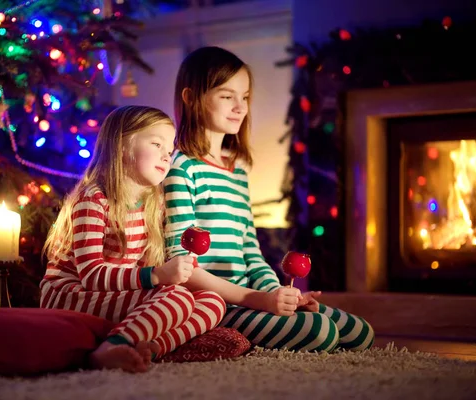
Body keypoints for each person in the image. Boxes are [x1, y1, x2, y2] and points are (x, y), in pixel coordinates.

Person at [164, 46, 374, 353]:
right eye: (226, 96)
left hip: (252, 296)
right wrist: (258, 300)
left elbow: (251, 252)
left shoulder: (236, 173)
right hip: (214, 302)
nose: (240, 107)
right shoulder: (180, 168)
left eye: (245, 96)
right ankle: (213, 335)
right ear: (190, 97)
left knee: (360, 333)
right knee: (322, 334)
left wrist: (278, 293)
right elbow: (180, 267)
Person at [41, 105, 226, 373]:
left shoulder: (151, 204)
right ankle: (110, 348)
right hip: (70, 294)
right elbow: (91, 275)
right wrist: (158, 275)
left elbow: (145, 273)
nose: (167, 156)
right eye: (156, 144)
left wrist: (167, 274)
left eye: (169, 149)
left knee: (212, 301)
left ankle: (153, 347)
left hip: (113, 293)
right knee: (177, 298)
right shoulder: (93, 199)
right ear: (122, 147)